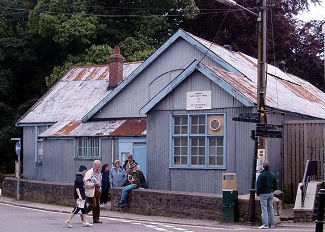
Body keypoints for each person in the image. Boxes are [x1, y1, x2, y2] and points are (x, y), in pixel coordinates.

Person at [256, 161, 278, 229]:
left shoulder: (261, 175)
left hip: (263, 194)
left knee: (264, 209)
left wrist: (258, 193)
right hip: (271, 193)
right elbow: (275, 185)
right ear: (269, 167)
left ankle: (265, 225)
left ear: (263, 166)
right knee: (271, 209)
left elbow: (258, 186)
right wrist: (272, 190)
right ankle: (272, 224)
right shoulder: (272, 175)